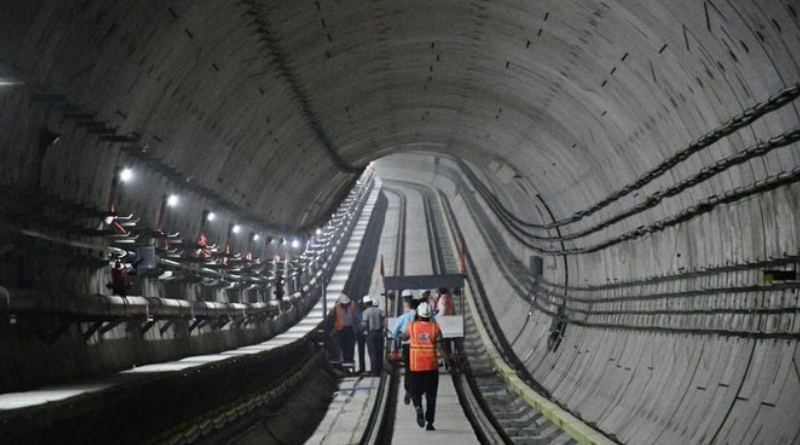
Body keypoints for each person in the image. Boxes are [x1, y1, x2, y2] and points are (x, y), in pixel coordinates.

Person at [403, 302, 441, 431]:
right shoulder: (435, 328)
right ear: (430, 315)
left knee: (415, 391)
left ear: (418, 315)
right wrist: (450, 363)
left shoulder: (411, 326)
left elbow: (404, 336)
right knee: (431, 395)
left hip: (416, 366)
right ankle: (430, 423)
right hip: (431, 367)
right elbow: (441, 345)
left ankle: (418, 407)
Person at [392, 289, 422, 404]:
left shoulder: (403, 317)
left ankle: (408, 389)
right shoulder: (422, 317)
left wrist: (399, 338)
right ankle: (417, 390)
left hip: (407, 347)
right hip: (419, 346)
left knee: (409, 368)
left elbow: (394, 333)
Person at [361, 295, 384, 376]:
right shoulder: (380, 311)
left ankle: (374, 371)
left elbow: (364, 324)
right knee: (379, 352)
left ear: (365, 304)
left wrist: (361, 330)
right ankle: (380, 370)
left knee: (372, 353)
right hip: (379, 333)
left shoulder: (365, 312)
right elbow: (384, 322)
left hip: (371, 334)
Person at [334, 293, 358, 365]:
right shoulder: (337, 307)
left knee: (350, 345)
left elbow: (355, 316)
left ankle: (350, 359)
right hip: (341, 329)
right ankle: (345, 359)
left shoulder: (352, 305)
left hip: (350, 328)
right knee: (343, 345)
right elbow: (334, 317)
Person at [356, 298, 367, 373]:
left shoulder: (366, 312)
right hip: (360, 333)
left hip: (366, 333)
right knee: (361, 351)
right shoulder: (356, 313)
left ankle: (373, 368)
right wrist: (357, 330)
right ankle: (362, 368)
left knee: (371, 351)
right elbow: (354, 322)